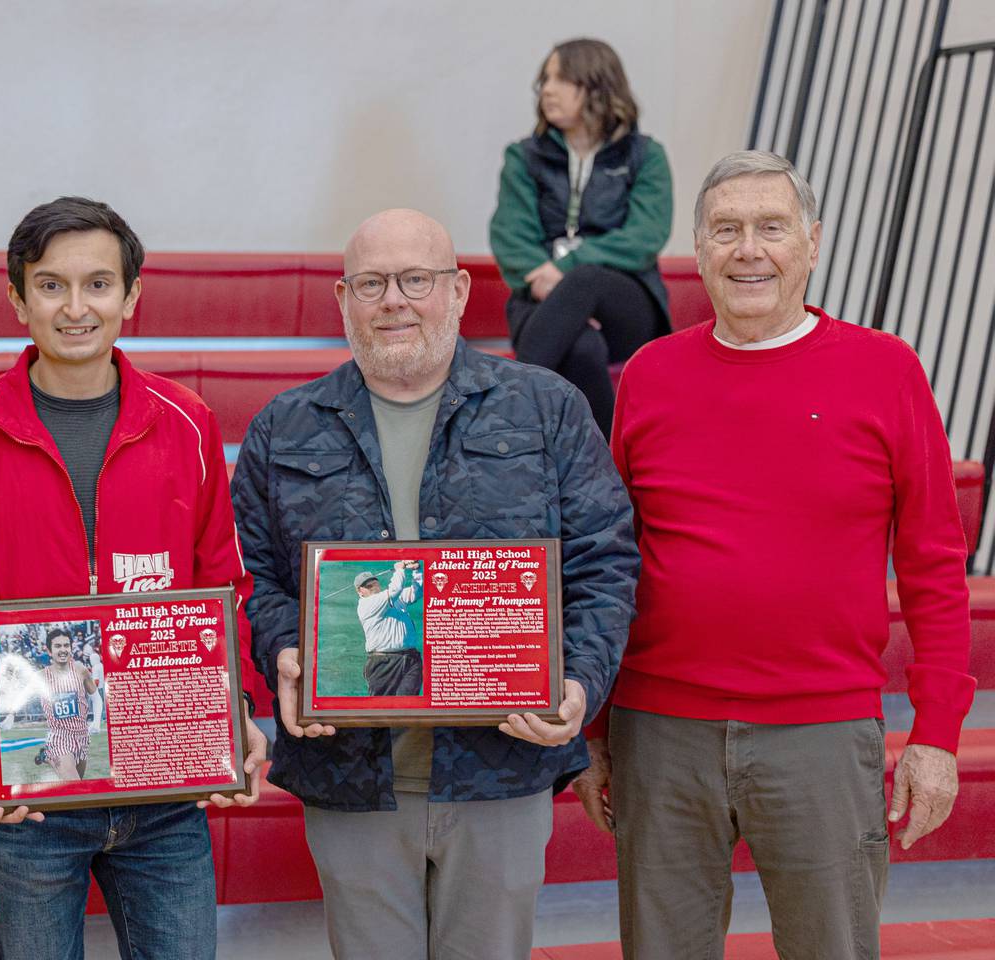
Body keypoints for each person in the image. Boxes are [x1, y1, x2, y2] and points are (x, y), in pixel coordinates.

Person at [574, 151, 975, 959]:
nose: (748, 249)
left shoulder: (886, 370)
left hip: (821, 735)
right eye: (726, 230)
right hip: (662, 736)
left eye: (771, 228)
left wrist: (936, 734)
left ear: (813, 244)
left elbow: (934, 563)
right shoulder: (650, 375)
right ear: (699, 249)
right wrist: (597, 729)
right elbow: (610, 560)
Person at [231, 208, 639, 959]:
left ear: (455, 292)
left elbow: (604, 563)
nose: (394, 300)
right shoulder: (284, 428)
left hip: (502, 768)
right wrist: (287, 651)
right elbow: (254, 578)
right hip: (349, 772)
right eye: (371, 283)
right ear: (342, 299)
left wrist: (578, 684)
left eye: (415, 280)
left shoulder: (545, 410)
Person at [0, 196, 268, 960]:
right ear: (16, 296)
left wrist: (230, 710)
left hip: (166, 796)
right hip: (28, 797)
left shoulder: (187, 421)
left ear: (131, 296)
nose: (76, 308)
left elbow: (223, 591)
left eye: (99, 284)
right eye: (51, 285)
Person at [489, 37, 672, 437]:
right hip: (536, 295)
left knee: (586, 279)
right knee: (583, 348)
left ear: (594, 85)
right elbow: (509, 235)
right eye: (545, 80)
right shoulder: (524, 157)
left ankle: (500, 412)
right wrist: (555, 289)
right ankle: (611, 469)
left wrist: (567, 272)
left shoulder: (644, 155)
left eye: (560, 79)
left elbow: (645, 235)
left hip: (625, 304)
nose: (546, 90)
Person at [37, 628, 97, 780]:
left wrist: (96, 721)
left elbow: (94, 694)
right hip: (59, 737)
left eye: (66, 645)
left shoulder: (80, 670)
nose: (63, 650)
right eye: (58, 646)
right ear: (49, 651)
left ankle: (46, 755)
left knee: (78, 780)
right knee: (75, 784)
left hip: (82, 734)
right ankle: (50, 754)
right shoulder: (41, 676)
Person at [355, 561, 422, 696]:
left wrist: (417, 571)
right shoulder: (367, 604)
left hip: (411, 659)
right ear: (360, 591)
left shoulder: (392, 598)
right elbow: (395, 589)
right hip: (383, 663)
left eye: (374, 582)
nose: (372, 585)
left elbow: (417, 592)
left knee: (409, 706)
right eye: (367, 585)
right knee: (382, 709)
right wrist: (399, 569)